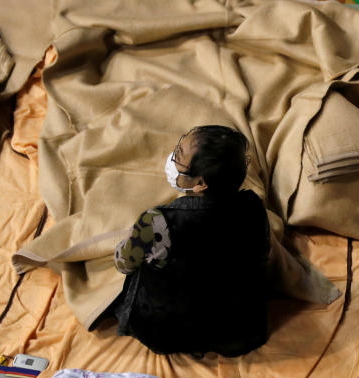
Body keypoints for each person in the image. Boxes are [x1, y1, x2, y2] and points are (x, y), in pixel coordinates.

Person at [104, 125, 271, 356]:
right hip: (238, 332)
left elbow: (124, 263)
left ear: (201, 183)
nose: (172, 158)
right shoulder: (253, 205)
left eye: (179, 155)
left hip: (168, 333)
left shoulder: (158, 220)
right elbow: (262, 255)